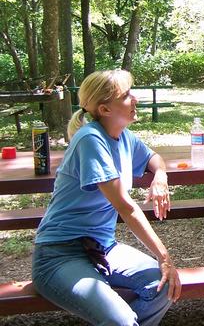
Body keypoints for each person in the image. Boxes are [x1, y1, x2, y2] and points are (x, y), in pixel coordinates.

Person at [32, 70, 181, 325]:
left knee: (164, 286)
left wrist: (161, 177)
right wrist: (164, 257)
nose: (135, 99)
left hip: (103, 248)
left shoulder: (124, 136)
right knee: (121, 320)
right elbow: (126, 207)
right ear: (105, 109)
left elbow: (153, 158)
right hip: (59, 255)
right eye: (126, 95)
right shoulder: (90, 139)